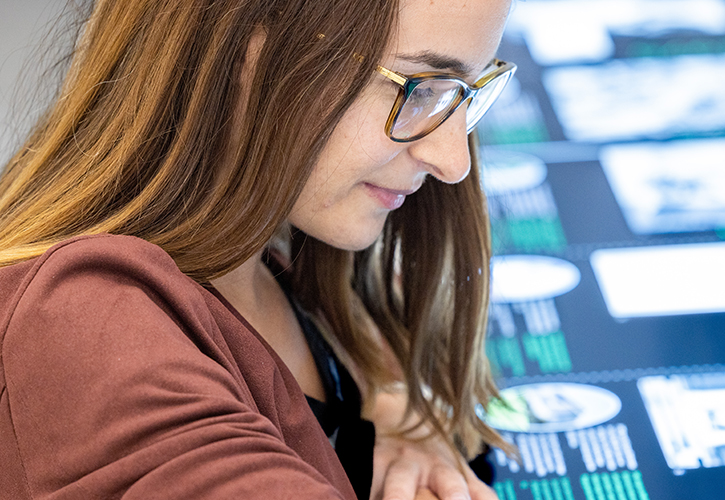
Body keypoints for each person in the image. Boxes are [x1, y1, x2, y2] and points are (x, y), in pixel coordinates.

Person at [0, 0, 516, 498]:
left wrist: (395, 412)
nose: (454, 162)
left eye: (467, 93)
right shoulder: (83, 327)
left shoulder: (276, 251)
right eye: (422, 89)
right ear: (249, 51)